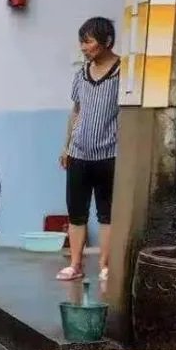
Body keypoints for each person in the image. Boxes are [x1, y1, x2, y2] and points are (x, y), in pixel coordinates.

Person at [58, 17, 120, 283]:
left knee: (106, 214)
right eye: (81, 42)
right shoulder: (81, 74)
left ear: (107, 41)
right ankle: (75, 265)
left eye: (88, 41)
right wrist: (66, 146)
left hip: (109, 155)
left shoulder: (122, 73)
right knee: (76, 213)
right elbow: (76, 111)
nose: (83, 47)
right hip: (79, 154)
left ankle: (105, 266)